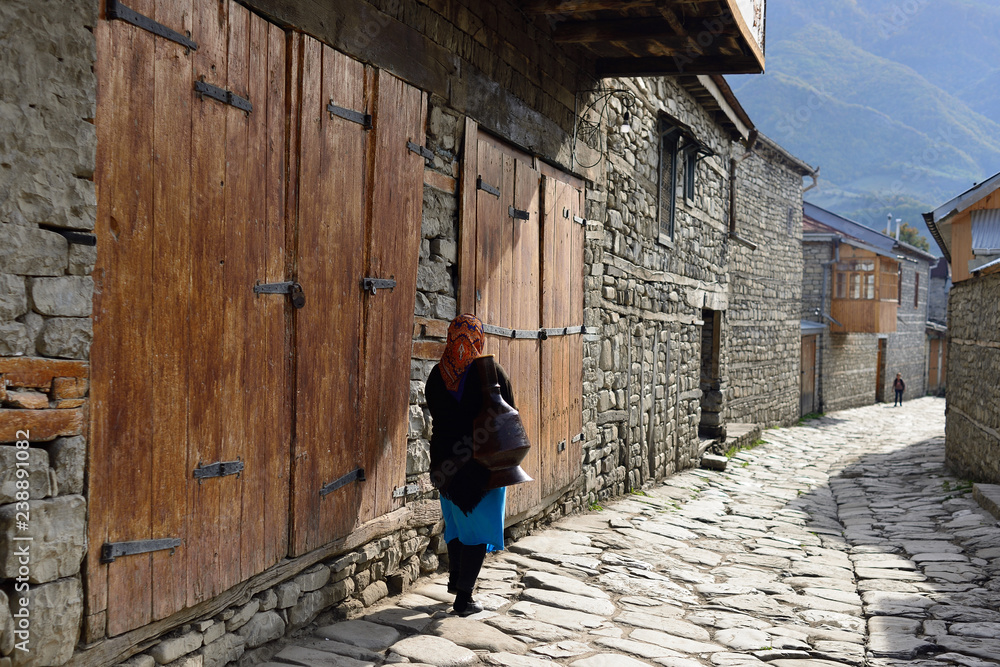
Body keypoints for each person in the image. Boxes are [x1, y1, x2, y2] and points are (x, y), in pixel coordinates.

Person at [425, 314, 515, 616]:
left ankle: (455, 580)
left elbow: (438, 417)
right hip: (481, 464)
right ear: (479, 339)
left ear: (450, 337)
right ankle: (464, 598)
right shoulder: (490, 372)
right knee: (477, 528)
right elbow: (509, 415)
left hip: (444, 463)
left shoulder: (437, 375)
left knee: (456, 523)